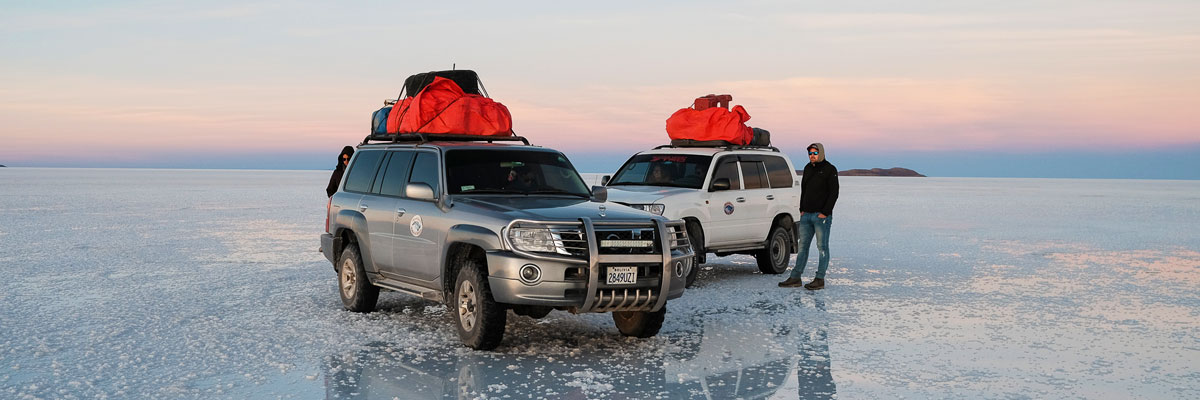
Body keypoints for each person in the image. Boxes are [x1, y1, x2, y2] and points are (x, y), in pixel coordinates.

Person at [780, 143, 839, 290]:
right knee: (803, 246)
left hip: (821, 217)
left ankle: (819, 279)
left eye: (815, 153)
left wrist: (825, 212)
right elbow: (804, 189)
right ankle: (795, 277)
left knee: (822, 247)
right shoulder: (807, 168)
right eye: (810, 153)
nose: (812, 155)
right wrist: (802, 209)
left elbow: (834, 193)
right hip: (806, 215)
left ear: (821, 153)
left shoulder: (829, 169)